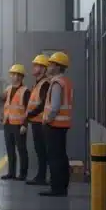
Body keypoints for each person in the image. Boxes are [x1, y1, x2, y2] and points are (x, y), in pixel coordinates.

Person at [41, 51, 73, 197]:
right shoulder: (65, 81)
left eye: (51, 64)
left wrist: (47, 119)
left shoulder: (57, 83)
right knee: (61, 156)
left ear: (58, 67)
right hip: (62, 125)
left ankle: (56, 188)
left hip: (54, 125)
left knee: (54, 157)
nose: (49, 66)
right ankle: (63, 186)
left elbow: (54, 107)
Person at [24, 55, 52, 186]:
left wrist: (29, 114)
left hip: (40, 123)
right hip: (36, 122)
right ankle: (41, 176)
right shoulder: (38, 83)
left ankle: (42, 177)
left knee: (42, 151)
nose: (34, 68)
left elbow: (42, 105)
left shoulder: (45, 84)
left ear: (43, 69)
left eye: (36, 65)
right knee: (40, 151)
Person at [1, 64, 31, 181]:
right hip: (7, 123)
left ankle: (23, 174)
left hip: (19, 125)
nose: (15, 77)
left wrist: (25, 124)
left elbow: (28, 110)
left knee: (21, 149)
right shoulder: (8, 89)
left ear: (22, 77)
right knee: (10, 149)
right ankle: (11, 173)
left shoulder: (25, 91)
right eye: (13, 74)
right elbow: (5, 104)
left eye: (18, 75)